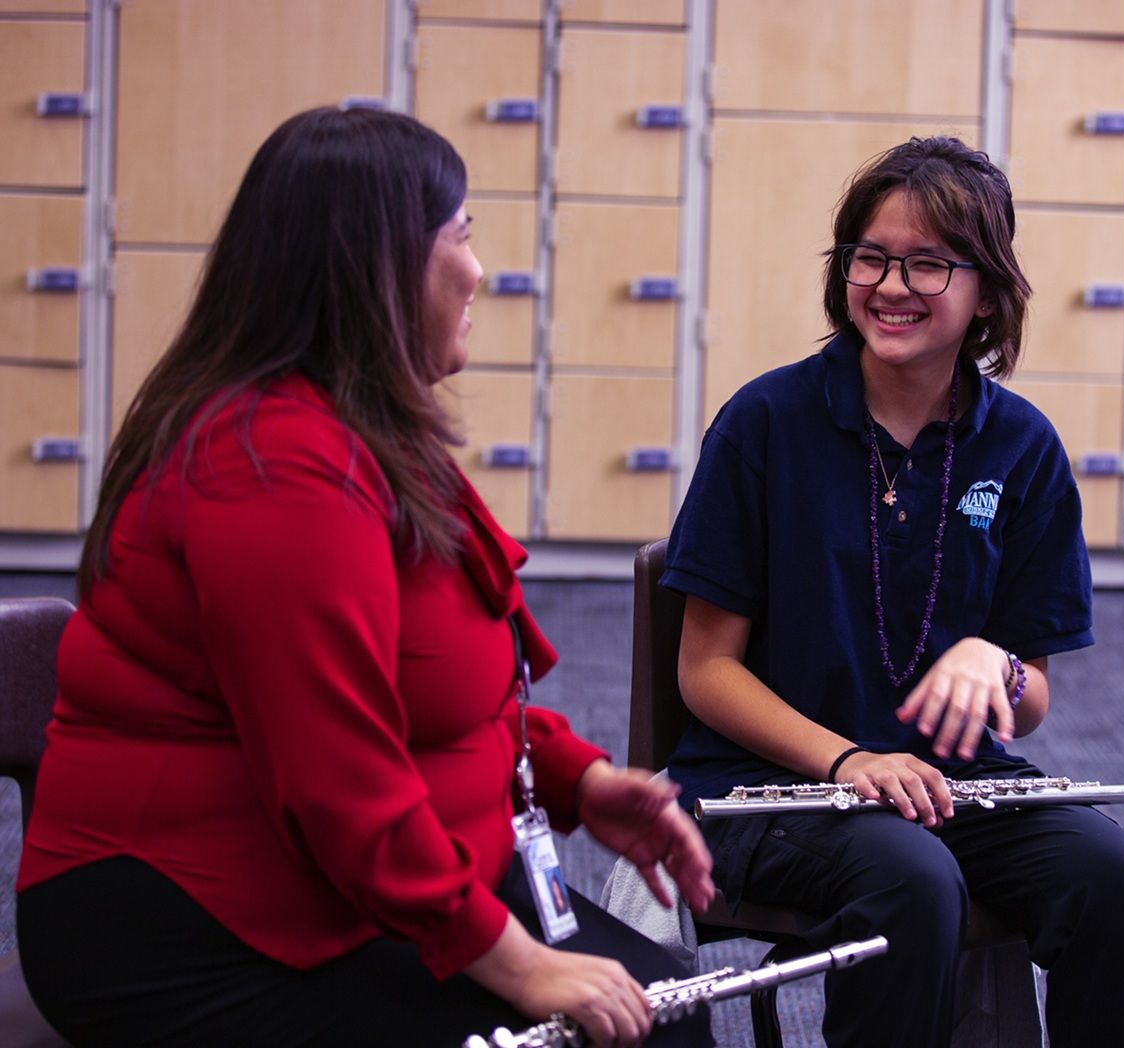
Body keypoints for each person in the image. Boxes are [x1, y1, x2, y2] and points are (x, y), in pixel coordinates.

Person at [17, 106, 714, 1048]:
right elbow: (336, 780)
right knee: (635, 1029)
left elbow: (431, 679)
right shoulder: (266, 467)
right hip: (198, 925)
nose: (480, 271)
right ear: (374, 268)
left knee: (662, 1005)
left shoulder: (365, 428)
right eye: (459, 237)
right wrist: (522, 965)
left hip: (352, 881)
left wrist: (572, 780)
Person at [662, 136, 1124, 1046]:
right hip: (775, 789)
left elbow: (1027, 707)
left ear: (987, 290)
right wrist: (846, 762)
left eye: (928, 264)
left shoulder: (1020, 446)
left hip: (956, 785)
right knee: (910, 881)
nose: (891, 284)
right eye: (871, 256)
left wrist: (999, 666)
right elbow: (705, 671)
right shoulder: (763, 423)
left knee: (1113, 878)